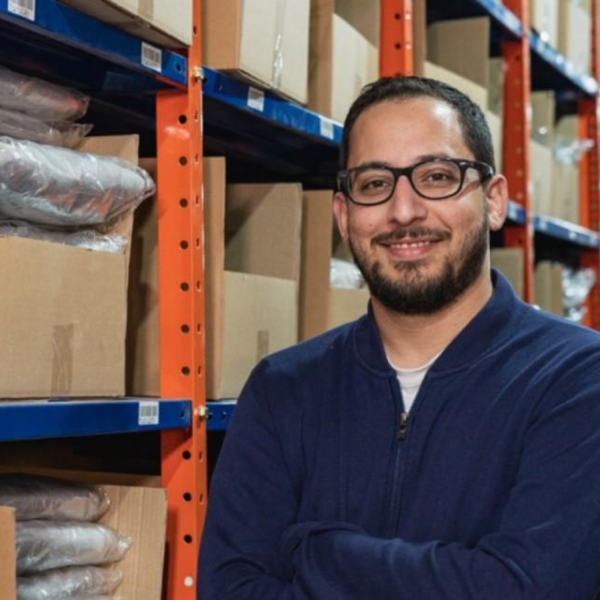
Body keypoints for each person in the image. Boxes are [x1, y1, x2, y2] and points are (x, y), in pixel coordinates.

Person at [198, 76, 600, 600]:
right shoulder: (283, 389)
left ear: (494, 201)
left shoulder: (577, 378)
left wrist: (319, 551)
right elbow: (228, 590)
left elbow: (528, 589)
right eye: (373, 184)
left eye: (437, 177)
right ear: (344, 216)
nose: (404, 211)